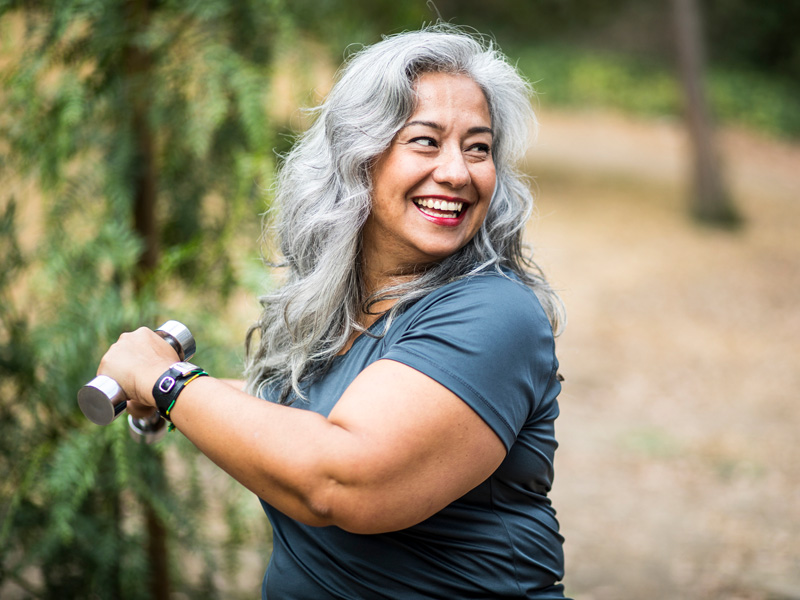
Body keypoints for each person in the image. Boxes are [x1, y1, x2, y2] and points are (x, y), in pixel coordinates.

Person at [99, 24, 569, 599]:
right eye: (426, 140)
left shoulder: (494, 313)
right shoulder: (344, 306)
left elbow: (341, 479)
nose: (458, 171)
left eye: (479, 147)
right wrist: (170, 397)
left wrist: (168, 380)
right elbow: (305, 417)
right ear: (357, 157)